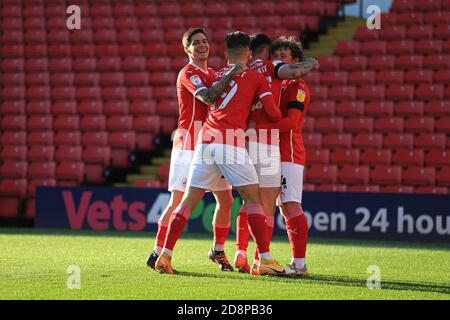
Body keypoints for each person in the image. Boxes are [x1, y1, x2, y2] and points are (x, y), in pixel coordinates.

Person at [155, 31, 290, 276]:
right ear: (249, 54)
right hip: (230, 141)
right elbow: (273, 113)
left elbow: (214, 96)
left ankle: (165, 254)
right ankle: (266, 259)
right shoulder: (254, 78)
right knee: (253, 200)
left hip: (205, 140)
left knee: (188, 201)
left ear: (226, 54)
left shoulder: (214, 75)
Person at [146, 28, 244, 272]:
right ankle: (158, 252)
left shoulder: (212, 72)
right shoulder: (188, 73)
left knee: (226, 199)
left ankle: (218, 250)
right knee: (178, 200)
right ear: (186, 49)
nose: (202, 45)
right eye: (196, 42)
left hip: (212, 144)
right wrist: (234, 70)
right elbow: (209, 98)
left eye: (205, 41)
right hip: (189, 144)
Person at [234, 33, 319, 274]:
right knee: (256, 203)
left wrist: (257, 128)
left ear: (295, 61)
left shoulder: (297, 86)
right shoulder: (273, 83)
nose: (279, 59)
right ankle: (256, 257)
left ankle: (299, 264)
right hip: (268, 150)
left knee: (290, 205)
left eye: (284, 55)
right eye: (276, 55)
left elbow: (291, 122)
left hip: (288, 152)